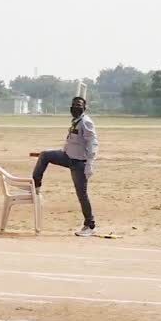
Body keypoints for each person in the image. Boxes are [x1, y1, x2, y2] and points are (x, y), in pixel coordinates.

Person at [32, 96, 98, 236]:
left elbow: (92, 142)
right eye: (74, 105)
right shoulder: (76, 121)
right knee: (45, 155)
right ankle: (35, 185)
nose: (75, 108)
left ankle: (89, 225)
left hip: (79, 163)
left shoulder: (86, 122)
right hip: (67, 157)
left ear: (84, 108)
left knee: (82, 194)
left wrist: (90, 163)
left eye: (79, 105)